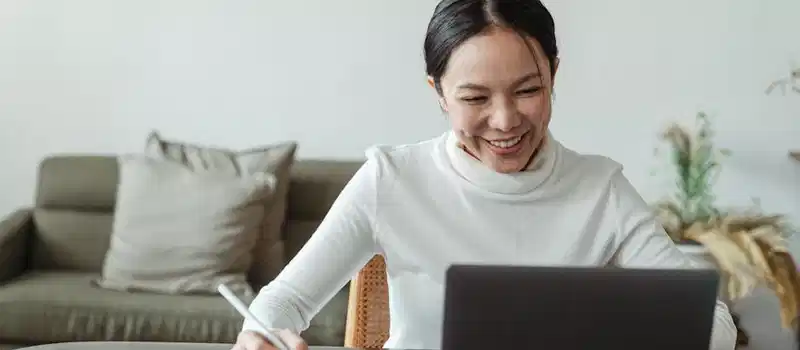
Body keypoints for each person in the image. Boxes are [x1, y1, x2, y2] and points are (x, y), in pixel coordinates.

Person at [232, 0, 738, 349]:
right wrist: (264, 333)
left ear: (553, 74)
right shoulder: (392, 179)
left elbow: (713, 323)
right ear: (439, 93)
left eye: (527, 90)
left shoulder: (599, 189)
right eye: (475, 98)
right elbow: (289, 299)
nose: (505, 120)